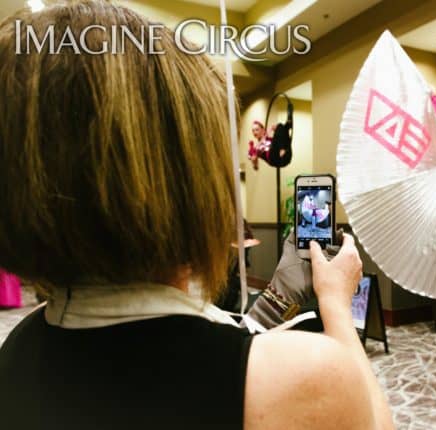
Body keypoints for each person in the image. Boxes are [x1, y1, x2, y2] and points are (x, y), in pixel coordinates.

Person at [0, 2, 393, 429]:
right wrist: (335, 302)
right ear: (187, 175)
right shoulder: (308, 377)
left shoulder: (17, 348)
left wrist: (279, 293)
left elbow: (203, 339)